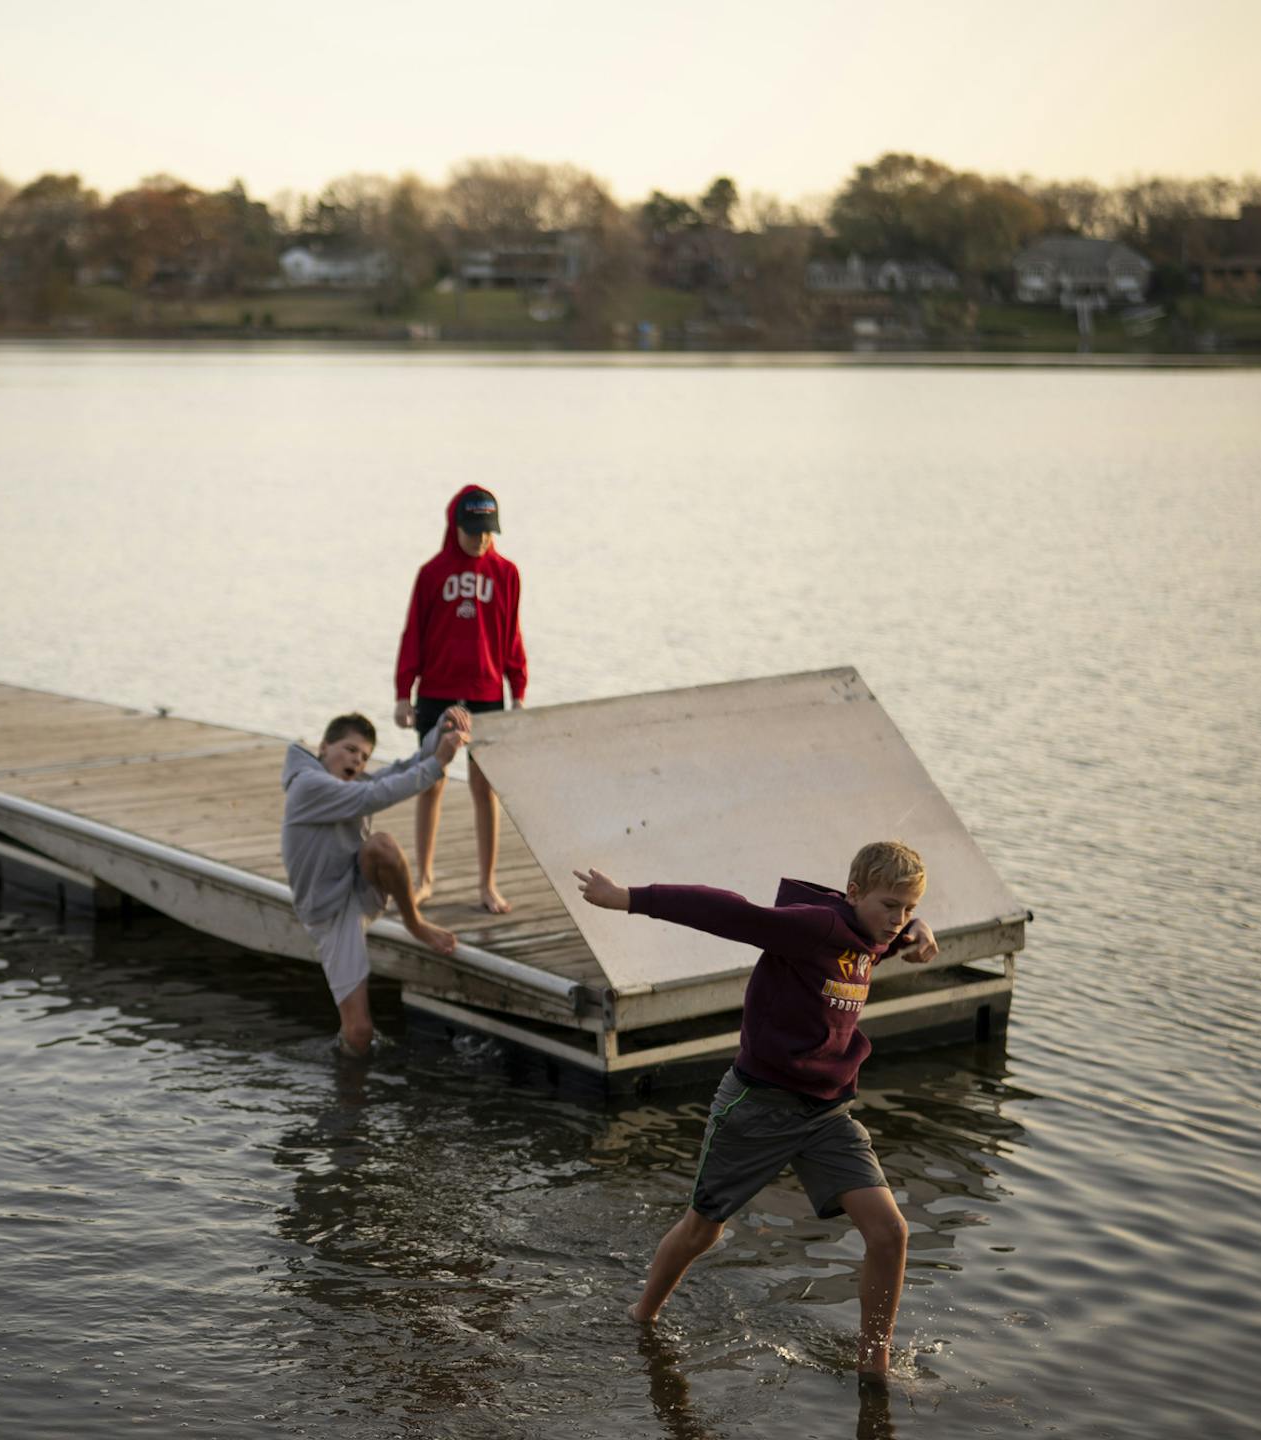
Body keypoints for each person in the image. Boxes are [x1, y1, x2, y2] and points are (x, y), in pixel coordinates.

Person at [572, 841, 942, 1382]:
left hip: (825, 1115)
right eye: (891, 906)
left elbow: (892, 934)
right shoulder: (814, 927)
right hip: (756, 1105)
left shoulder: (873, 934)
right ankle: (642, 1314)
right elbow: (724, 910)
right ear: (854, 893)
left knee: (891, 1233)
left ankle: (874, 1362)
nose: (898, 920)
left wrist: (920, 927)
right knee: (704, 1231)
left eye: (907, 907)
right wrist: (627, 898)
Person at [281, 707, 472, 1055]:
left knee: (380, 845)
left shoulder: (352, 782)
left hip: (358, 886)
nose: (358, 760)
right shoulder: (309, 786)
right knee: (359, 1033)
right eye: (350, 750)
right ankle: (352, 1096)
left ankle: (414, 923)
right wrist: (437, 765)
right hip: (330, 913)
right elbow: (374, 796)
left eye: (365, 756)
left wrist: (439, 731)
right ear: (324, 748)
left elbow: (401, 769)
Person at [393, 485, 526, 914]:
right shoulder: (431, 574)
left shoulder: (507, 574)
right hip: (435, 692)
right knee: (431, 782)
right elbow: (413, 633)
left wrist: (518, 689)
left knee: (484, 789)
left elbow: (512, 635)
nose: (482, 539)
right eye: (473, 532)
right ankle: (424, 878)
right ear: (455, 527)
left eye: (488, 532)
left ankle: (487, 884)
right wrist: (403, 692)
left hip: (486, 694)